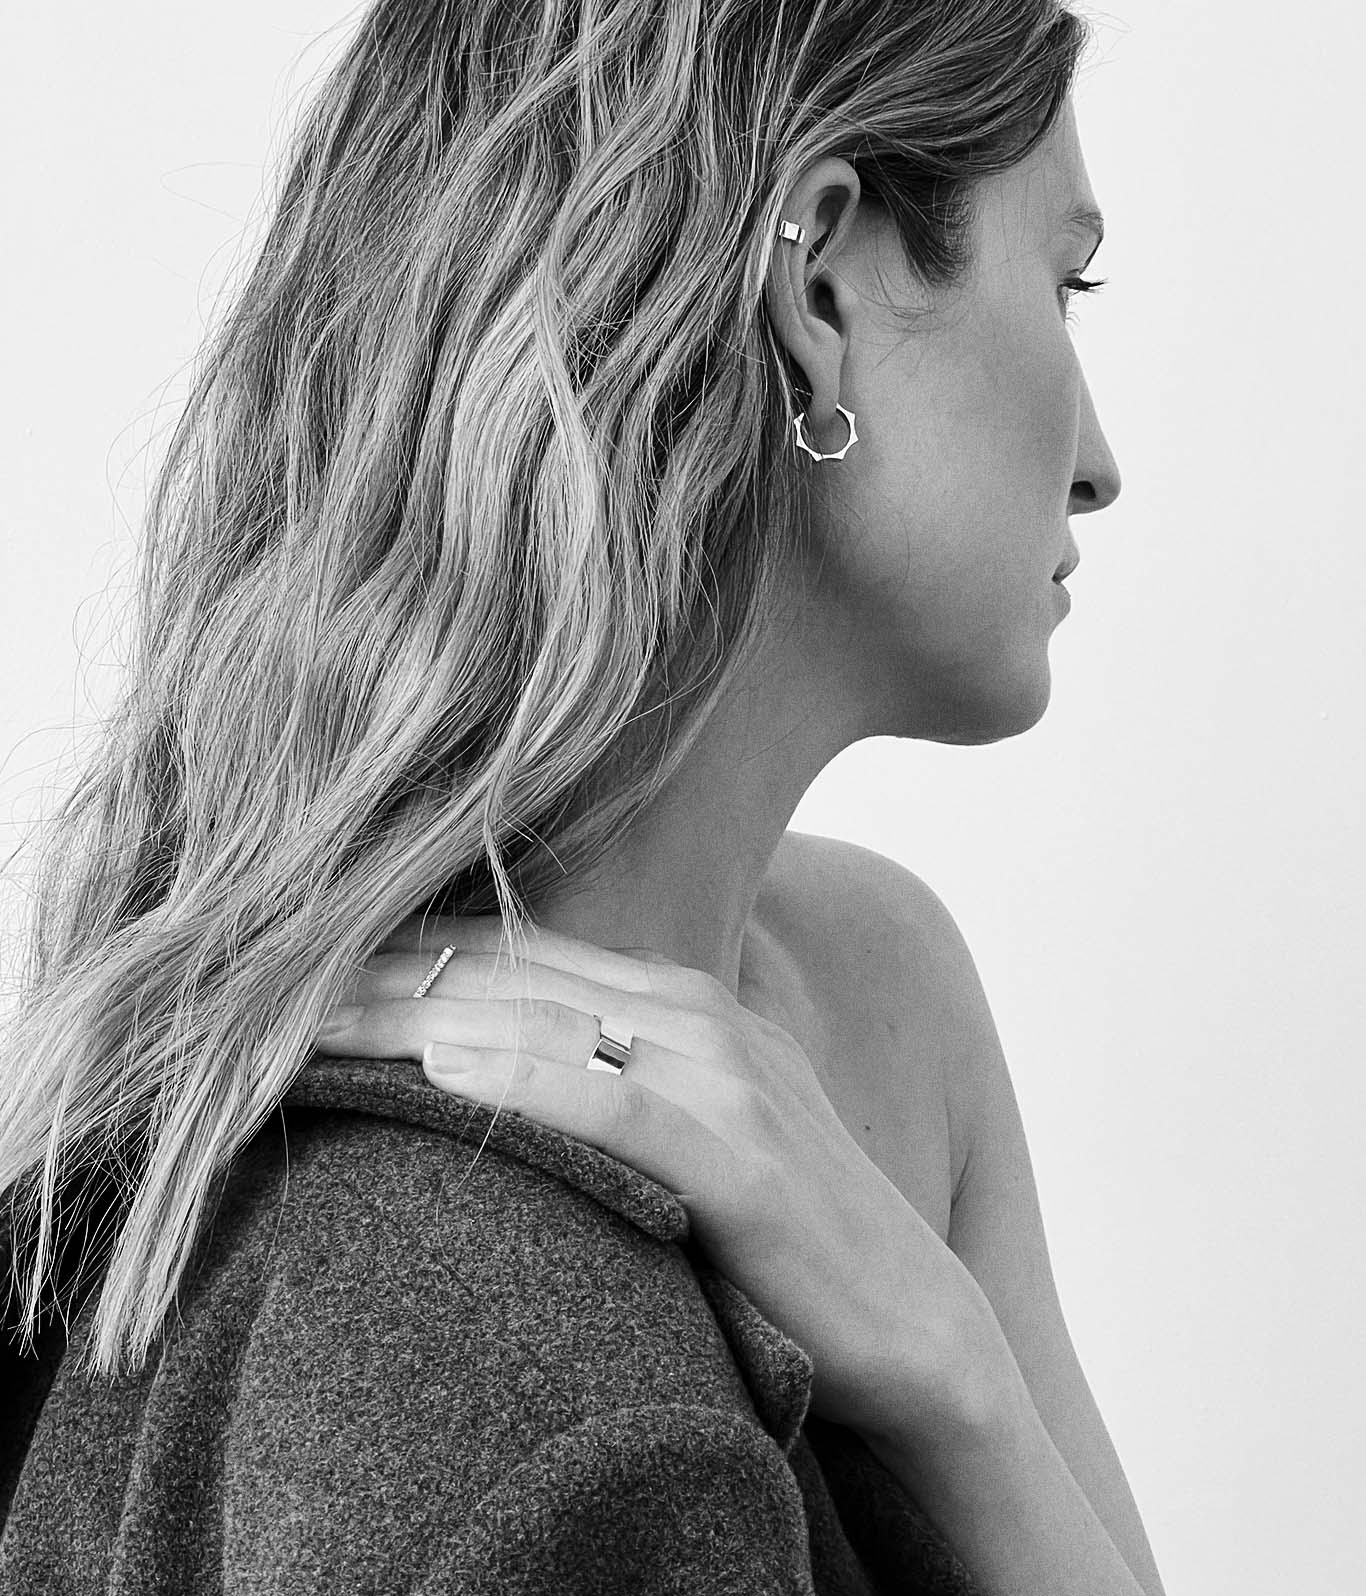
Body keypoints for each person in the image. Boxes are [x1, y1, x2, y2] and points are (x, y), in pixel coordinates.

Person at [0, 2, 1165, 1592]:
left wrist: (959, 1391)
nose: (1098, 460)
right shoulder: (473, 1338)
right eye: (1064, 280)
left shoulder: (881, 988)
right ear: (819, 285)